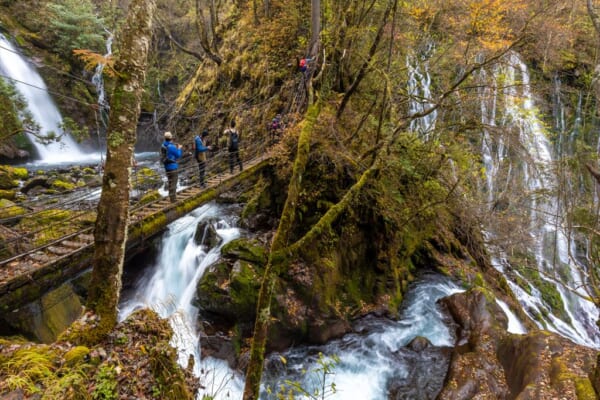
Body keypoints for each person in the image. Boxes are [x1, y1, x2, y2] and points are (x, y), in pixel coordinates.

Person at [161, 131, 182, 202]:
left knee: (170, 182)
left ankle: (171, 197)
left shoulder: (163, 145)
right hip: (172, 167)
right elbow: (178, 155)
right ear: (171, 138)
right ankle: (173, 199)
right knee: (174, 182)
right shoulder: (171, 146)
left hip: (166, 167)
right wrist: (179, 148)